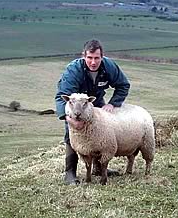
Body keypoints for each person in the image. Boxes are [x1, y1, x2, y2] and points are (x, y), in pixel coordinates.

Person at [55, 39, 130, 185]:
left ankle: (98, 168)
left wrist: (113, 103)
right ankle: (70, 173)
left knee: (99, 134)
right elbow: (62, 96)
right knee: (73, 136)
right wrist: (68, 118)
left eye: (97, 58)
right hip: (75, 105)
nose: (93, 62)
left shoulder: (109, 67)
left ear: (102, 57)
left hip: (96, 102)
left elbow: (123, 85)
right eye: (89, 58)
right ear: (84, 56)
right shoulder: (73, 70)